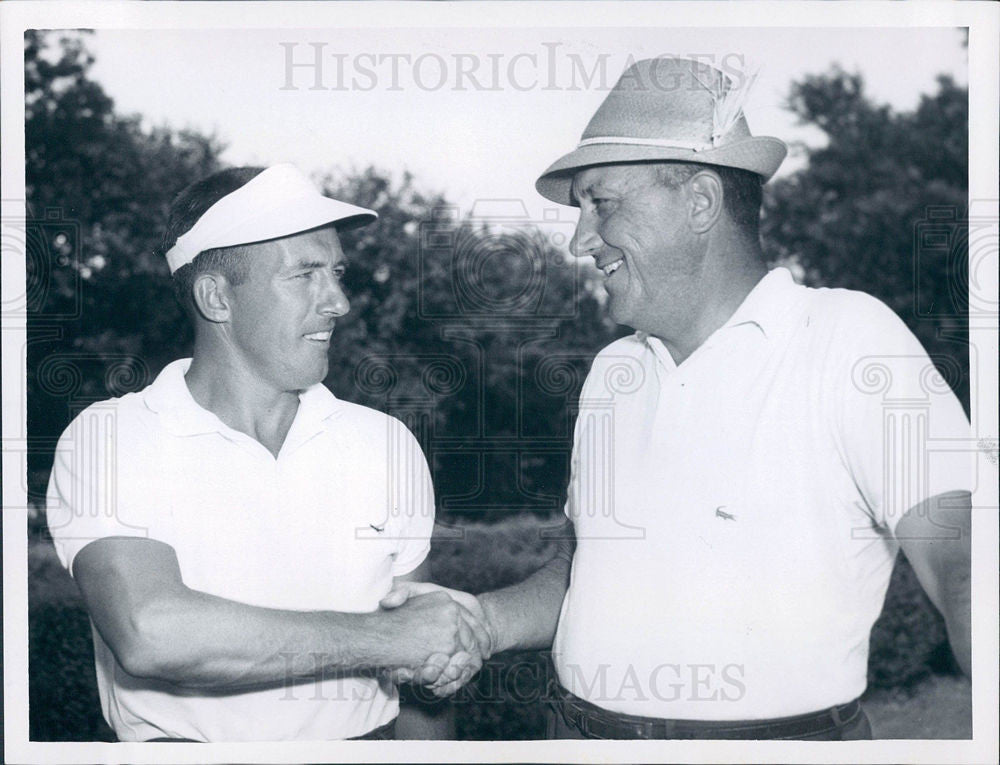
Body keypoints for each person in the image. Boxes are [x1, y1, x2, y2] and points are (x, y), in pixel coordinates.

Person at [384, 57, 973, 739]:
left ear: (700, 201)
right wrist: (481, 622)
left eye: (601, 202)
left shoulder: (848, 338)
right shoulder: (613, 371)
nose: (579, 239)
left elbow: (965, 565)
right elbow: (586, 565)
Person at [45, 164, 490, 742]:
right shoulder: (112, 437)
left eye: (336, 272)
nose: (339, 302)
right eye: (304, 274)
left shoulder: (384, 443)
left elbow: (424, 672)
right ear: (216, 298)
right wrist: (392, 640)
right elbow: (150, 631)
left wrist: (426, 656)